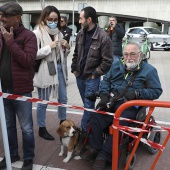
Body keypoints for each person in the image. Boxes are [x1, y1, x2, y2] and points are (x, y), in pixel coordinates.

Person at [81, 43, 163, 170]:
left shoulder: (149, 70)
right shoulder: (115, 65)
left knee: (119, 125)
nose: (129, 57)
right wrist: (103, 95)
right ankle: (95, 148)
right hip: (112, 101)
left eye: (132, 54)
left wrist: (138, 93)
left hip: (131, 106)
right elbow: (106, 81)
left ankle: (104, 155)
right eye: (126, 54)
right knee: (97, 117)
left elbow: (157, 91)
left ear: (140, 55)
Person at [0, 2, 37, 170]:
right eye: (0, 15)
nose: (1, 18)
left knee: (27, 127)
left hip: (21, 90)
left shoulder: (29, 36)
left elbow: (28, 60)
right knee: (8, 126)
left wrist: (10, 41)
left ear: (17, 18)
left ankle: (28, 157)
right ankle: (12, 153)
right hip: (3, 91)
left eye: (5, 15)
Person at [71, 6, 113, 132]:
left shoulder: (103, 37)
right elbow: (76, 54)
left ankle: (84, 134)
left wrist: (95, 74)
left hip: (92, 79)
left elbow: (108, 61)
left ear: (89, 19)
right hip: (79, 77)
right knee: (87, 106)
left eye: (81, 18)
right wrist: (74, 68)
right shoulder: (80, 34)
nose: (79, 21)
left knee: (88, 106)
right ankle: (92, 130)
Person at [33, 6, 70, 141]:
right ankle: (42, 128)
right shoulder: (37, 33)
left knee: (63, 98)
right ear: (44, 19)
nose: (53, 22)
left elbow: (62, 55)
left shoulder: (59, 33)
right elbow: (33, 54)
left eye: (56, 19)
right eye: (50, 19)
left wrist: (66, 48)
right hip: (45, 70)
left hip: (59, 68)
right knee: (43, 100)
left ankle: (63, 124)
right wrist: (49, 47)